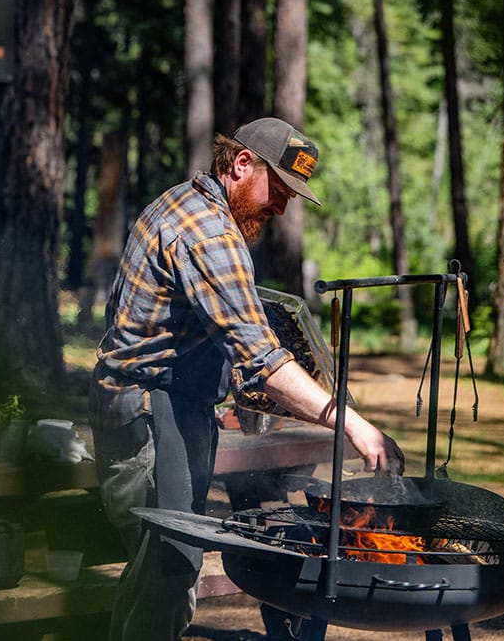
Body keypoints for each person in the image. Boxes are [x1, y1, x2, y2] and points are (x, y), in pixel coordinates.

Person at [89, 117, 405, 641]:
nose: (281, 207)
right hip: (150, 408)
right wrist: (349, 423)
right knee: (171, 568)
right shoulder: (210, 232)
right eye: (278, 190)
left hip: (162, 404)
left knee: (156, 570)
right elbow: (262, 358)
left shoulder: (180, 202)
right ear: (241, 164)